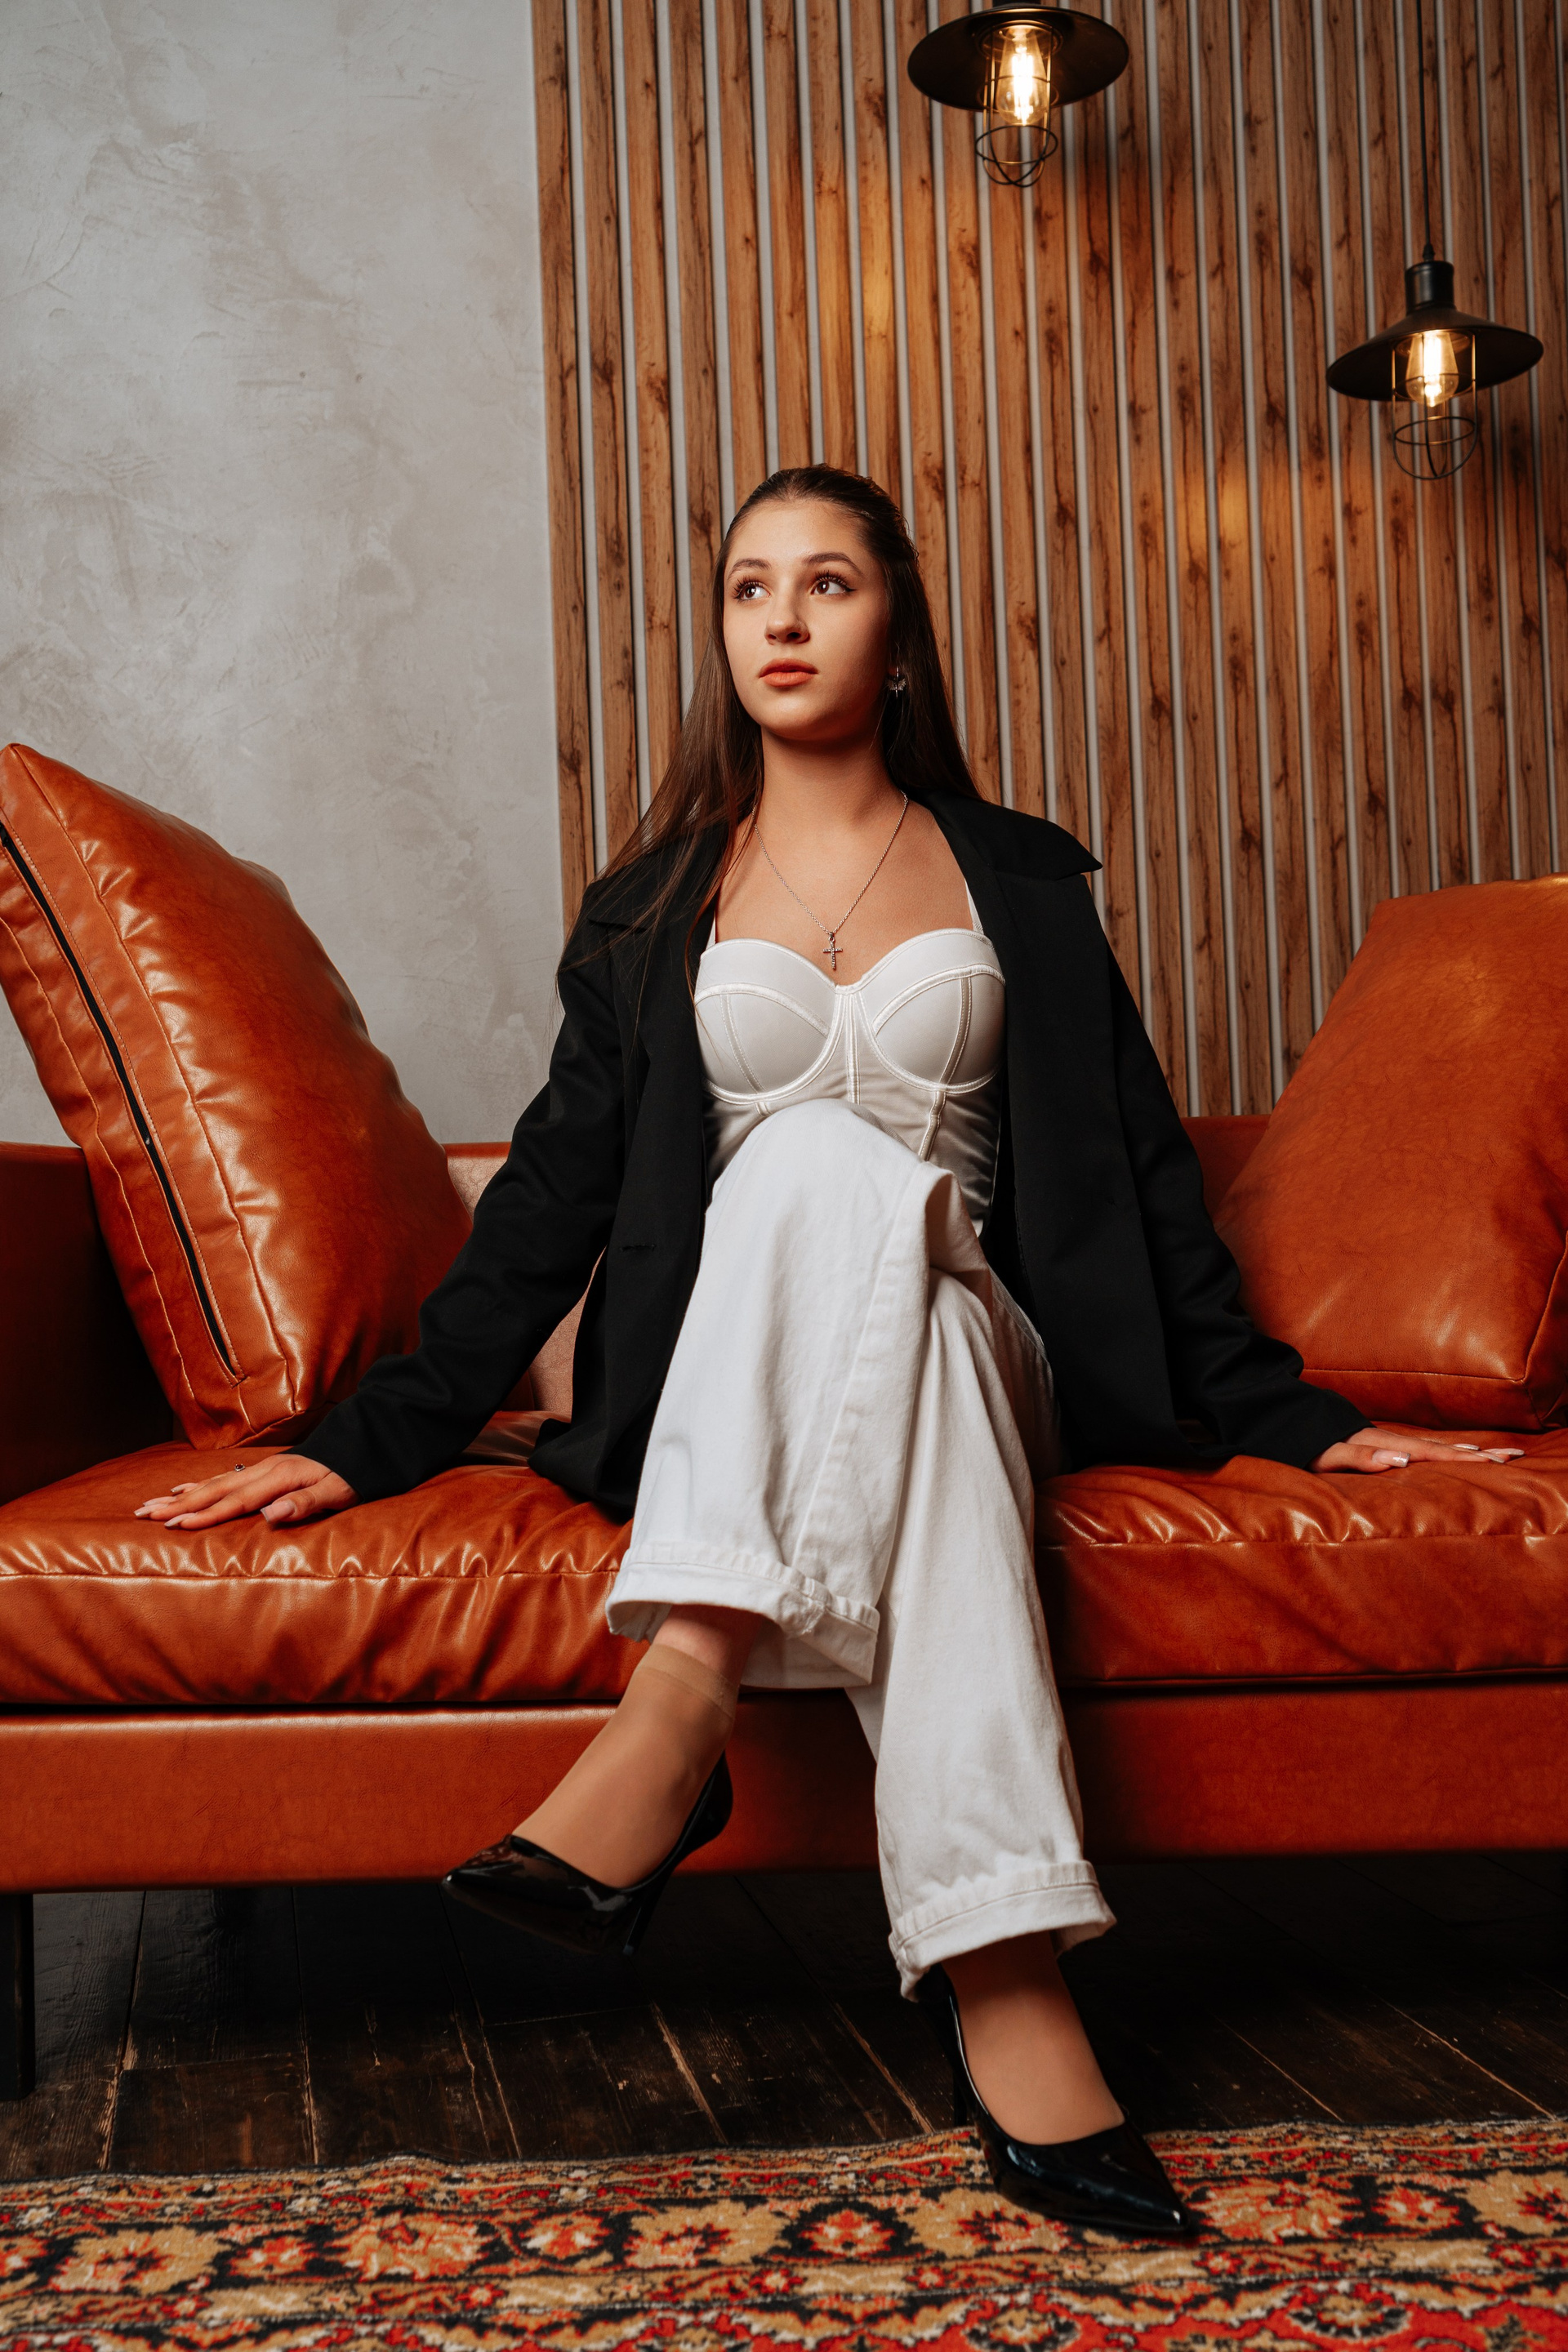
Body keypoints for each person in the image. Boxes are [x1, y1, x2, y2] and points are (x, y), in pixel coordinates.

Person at [136, 466, 1519, 2236]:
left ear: (899, 637)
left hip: (1001, 1334)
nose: (781, 618)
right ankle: (1005, 1974)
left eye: (828, 584)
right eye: (748, 587)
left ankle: (681, 1699)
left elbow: (1149, 1182)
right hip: (748, 1379)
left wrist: (1306, 1423)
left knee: (867, 1217)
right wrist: (363, 1440)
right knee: (804, 1176)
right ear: (724, 635)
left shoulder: (1024, 882)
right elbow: (545, 1211)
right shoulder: (650, 910)